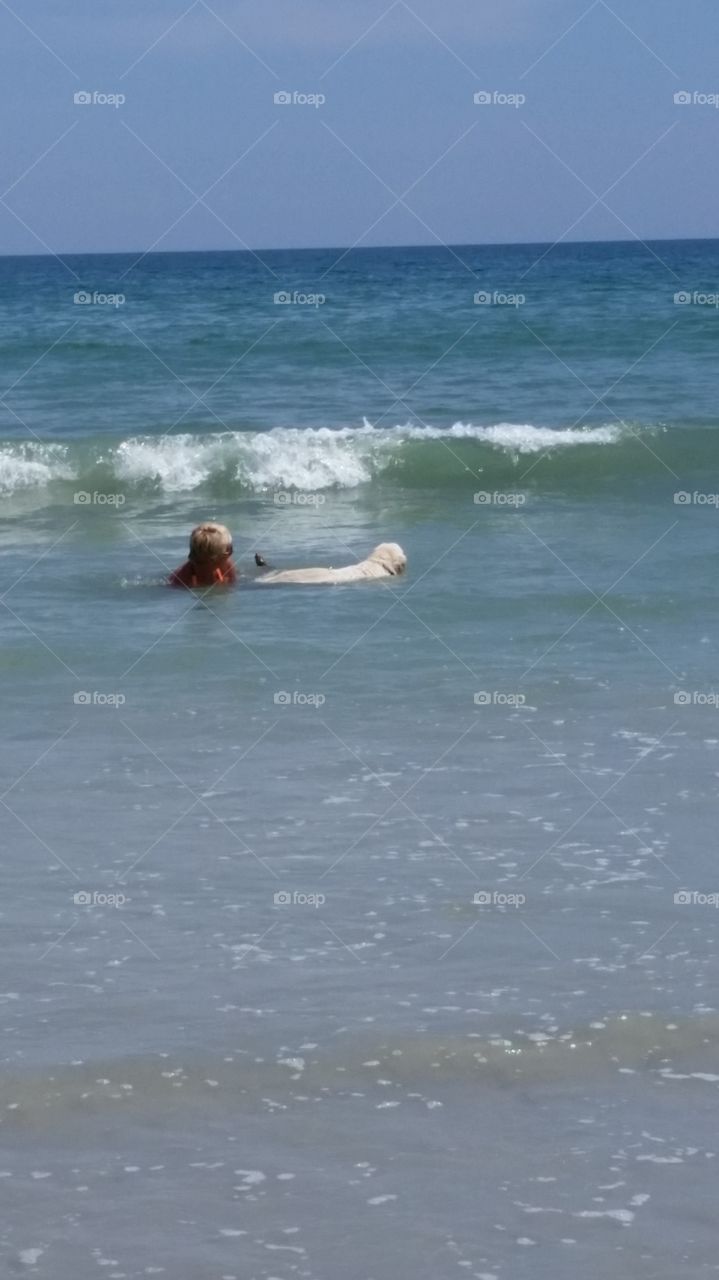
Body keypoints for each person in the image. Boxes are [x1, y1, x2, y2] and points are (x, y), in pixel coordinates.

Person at [169, 522, 237, 588]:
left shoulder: (227, 564)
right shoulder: (182, 577)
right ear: (228, 552)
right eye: (230, 547)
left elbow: (233, 582)